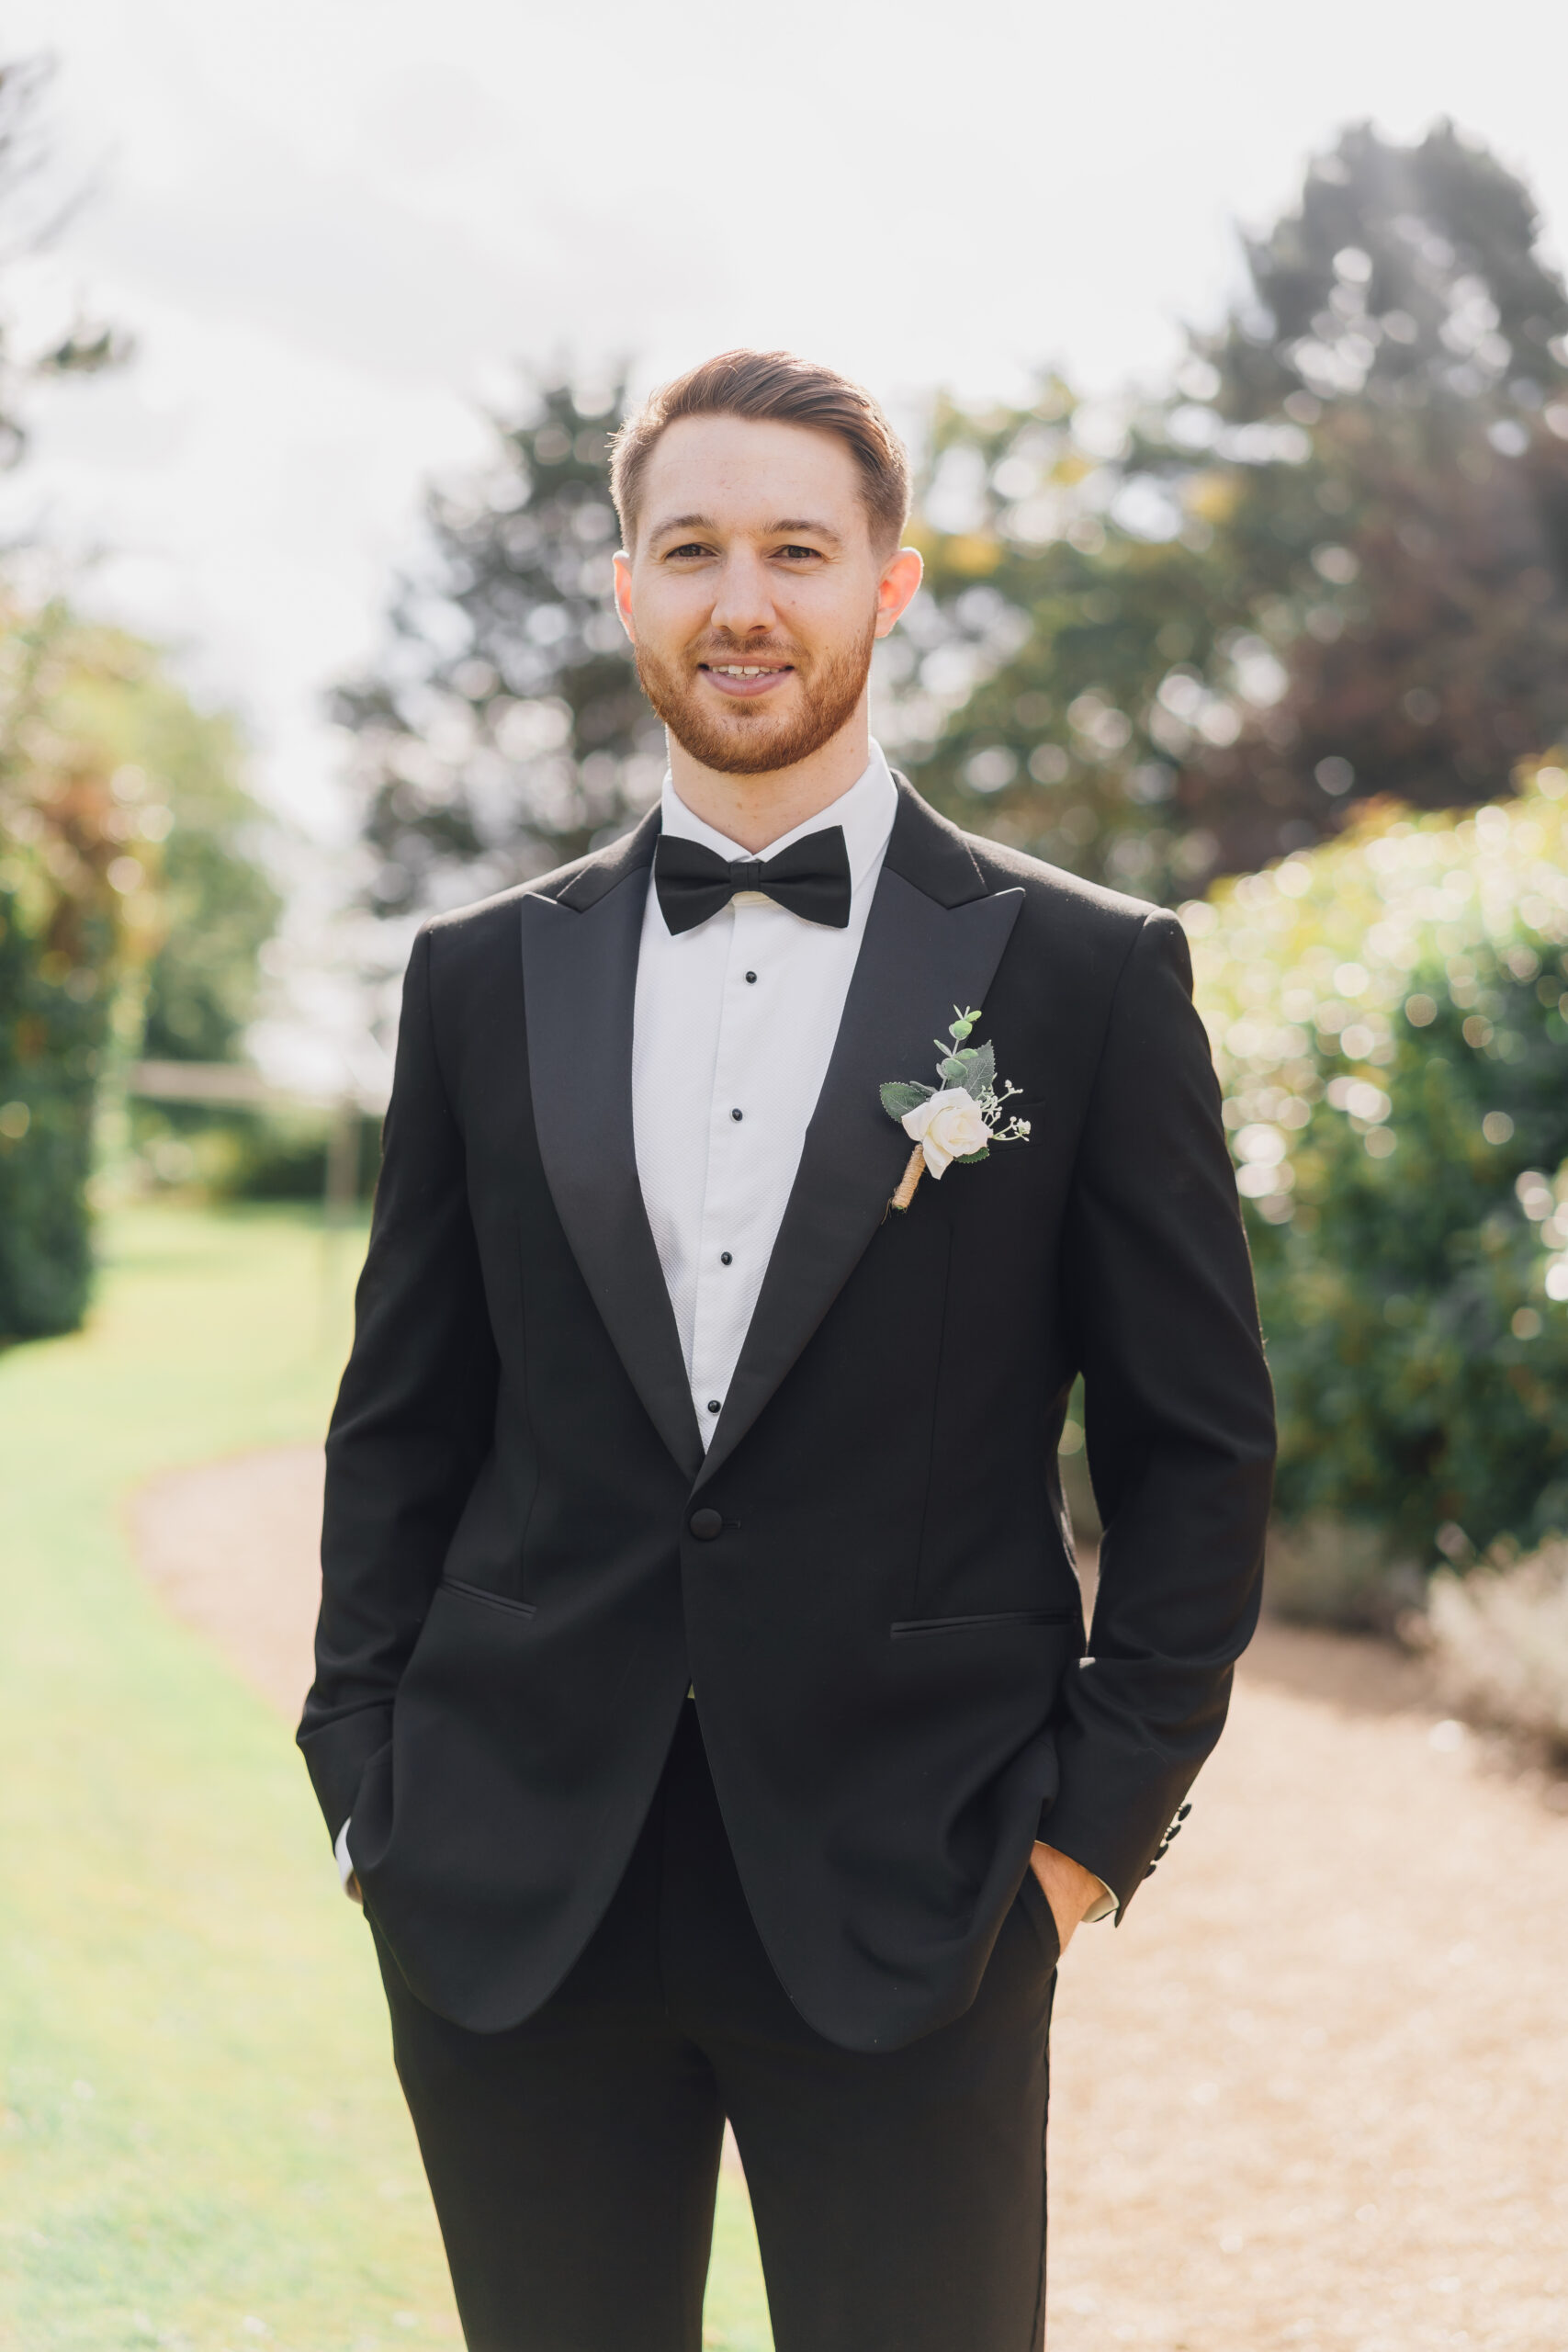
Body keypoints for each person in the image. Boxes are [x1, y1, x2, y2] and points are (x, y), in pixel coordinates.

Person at [299, 348, 1276, 2352]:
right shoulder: (478, 976)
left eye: (795, 550)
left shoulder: (1083, 974)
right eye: (693, 549)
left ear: (887, 584)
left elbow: (1196, 1450)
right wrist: (364, 1780)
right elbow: (402, 1416)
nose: (742, 598)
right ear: (626, 586)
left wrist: (1082, 1840)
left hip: (916, 1888)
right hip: (509, 1881)